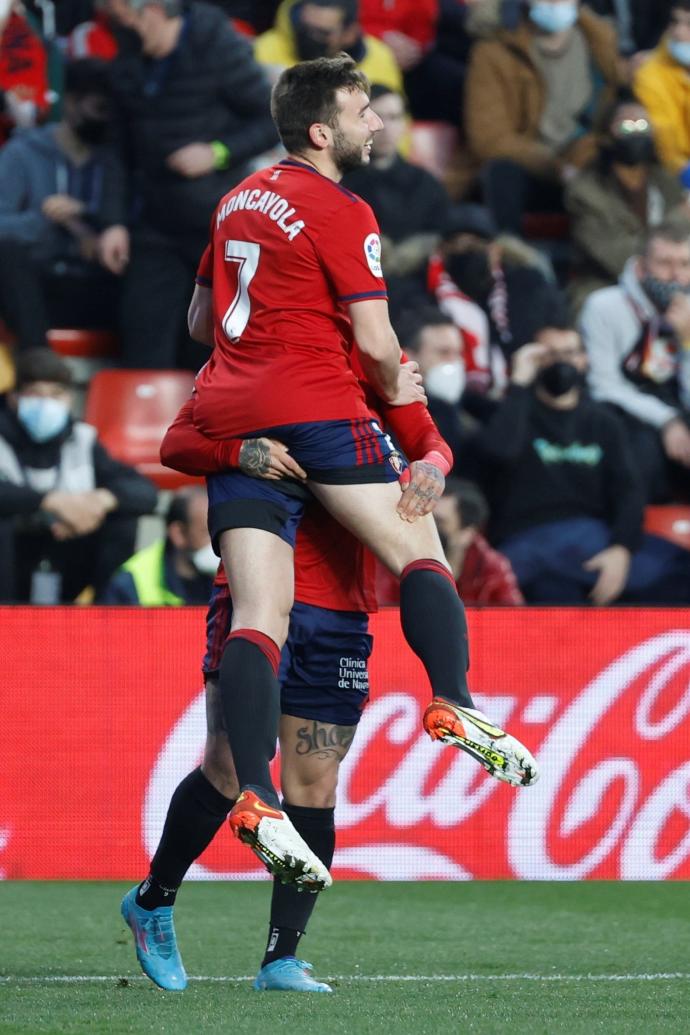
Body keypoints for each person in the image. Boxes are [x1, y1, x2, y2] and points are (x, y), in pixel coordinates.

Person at [187, 54, 539, 893]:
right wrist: (397, 392)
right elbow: (379, 346)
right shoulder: (345, 209)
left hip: (231, 410)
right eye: (363, 108)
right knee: (418, 544)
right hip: (314, 403)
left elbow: (203, 319)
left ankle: (260, 797)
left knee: (256, 610)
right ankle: (453, 694)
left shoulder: (235, 197)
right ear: (322, 130)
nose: (376, 122)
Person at [120, 352, 454, 993]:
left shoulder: (374, 375)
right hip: (257, 600)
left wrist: (433, 464)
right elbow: (178, 440)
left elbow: (429, 438)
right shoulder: (252, 368)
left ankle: (280, 959)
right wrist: (239, 453)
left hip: (344, 613)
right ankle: (153, 901)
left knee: (315, 784)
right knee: (227, 768)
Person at [97, 0, 279, 369]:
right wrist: (112, 221)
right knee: (143, 335)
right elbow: (116, 149)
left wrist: (218, 152)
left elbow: (270, 118)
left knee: (209, 344)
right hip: (154, 220)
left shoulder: (217, 46)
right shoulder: (127, 59)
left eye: (125, 20)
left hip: (216, 223)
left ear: (153, 11)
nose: (120, 29)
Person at [473, 325, 690, 604]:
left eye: (570, 353)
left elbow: (628, 491)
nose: (561, 362)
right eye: (549, 354)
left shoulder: (603, 422)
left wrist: (621, 550)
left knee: (678, 570)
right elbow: (497, 452)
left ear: (584, 359)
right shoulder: (514, 413)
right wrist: (517, 385)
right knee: (553, 593)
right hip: (526, 538)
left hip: (591, 536)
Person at [0, 348, 157, 603]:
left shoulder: (82, 439)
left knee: (122, 520)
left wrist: (99, 502)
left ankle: (109, 617)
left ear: (69, 399)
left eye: (55, 395)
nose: (45, 404)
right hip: (13, 558)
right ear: (13, 398)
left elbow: (144, 492)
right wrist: (51, 502)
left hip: (66, 553)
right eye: (35, 394)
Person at [455, 0, 621, 233]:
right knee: (502, 172)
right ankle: (510, 256)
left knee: (627, 157)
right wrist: (554, 165)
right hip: (529, 167)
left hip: (587, 163)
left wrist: (581, 159)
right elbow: (489, 139)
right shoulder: (493, 51)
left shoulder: (601, 44)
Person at [0, 58, 119, 351]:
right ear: (70, 102)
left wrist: (87, 213)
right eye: (97, 109)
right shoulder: (23, 152)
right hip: (39, 282)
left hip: (101, 280)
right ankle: (40, 365)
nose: (104, 120)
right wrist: (49, 221)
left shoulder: (116, 159)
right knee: (9, 256)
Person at [579, 222, 690, 502]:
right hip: (626, 410)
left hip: (680, 404)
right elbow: (602, 385)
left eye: (685, 264)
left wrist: (687, 340)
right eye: (664, 263)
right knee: (639, 446)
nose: (676, 276)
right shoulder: (604, 306)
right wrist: (667, 420)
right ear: (641, 267)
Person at [565, 90, 690, 313]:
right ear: (606, 135)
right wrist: (677, 219)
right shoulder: (585, 191)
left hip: (675, 281)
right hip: (607, 284)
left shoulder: (667, 183)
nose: (635, 133)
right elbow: (616, 257)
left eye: (642, 125)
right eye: (626, 127)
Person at [342, 83, 452, 319]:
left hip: (422, 296)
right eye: (376, 117)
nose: (385, 127)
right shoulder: (339, 182)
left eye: (394, 117)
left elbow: (445, 238)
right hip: (360, 296)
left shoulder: (427, 185)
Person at [377, 476, 525, 605]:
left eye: (439, 523)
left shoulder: (491, 569)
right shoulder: (395, 559)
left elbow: (513, 625)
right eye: (423, 519)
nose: (428, 529)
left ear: (467, 533)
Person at [99, 485, 217, 604]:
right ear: (179, 534)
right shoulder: (130, 584)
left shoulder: (227, 574)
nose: (217, 543)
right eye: (207, 534)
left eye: (220, 533)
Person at [254, 0, 402, 92]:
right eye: (305, 28)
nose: (310, 37)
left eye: (322, 33)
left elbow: (396, 127)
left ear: (349, 33)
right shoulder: (266, 49)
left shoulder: (378, 59)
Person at [634, 2, 690, 177]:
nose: (679, 33)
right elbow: (665, 142)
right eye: (675, 22)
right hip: (676, 172)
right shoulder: (649, 74)